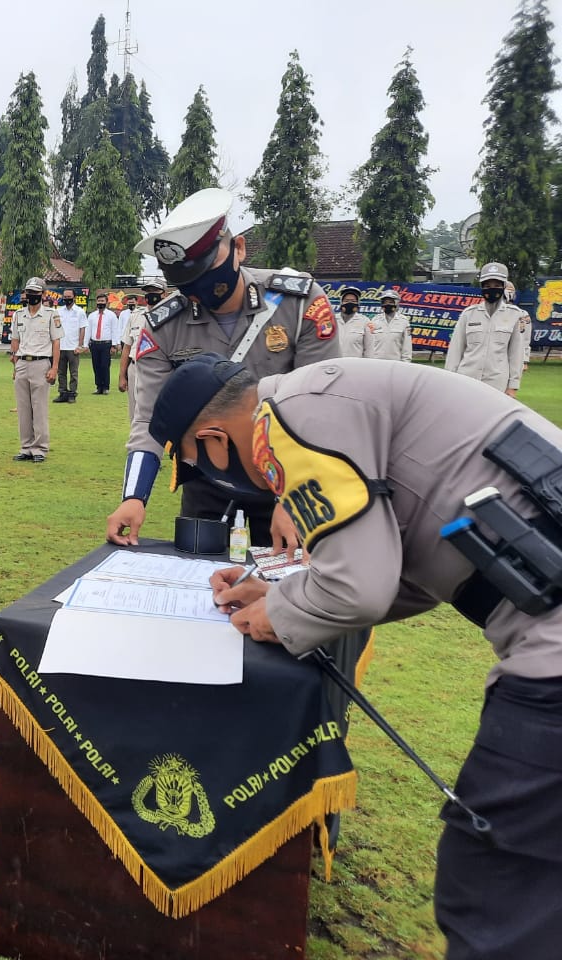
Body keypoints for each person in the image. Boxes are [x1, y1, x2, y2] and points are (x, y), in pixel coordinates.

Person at [152, 353, 562, 960]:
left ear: (213, 440)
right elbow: (405, 573)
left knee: (494, 885)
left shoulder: (291, 416)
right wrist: (287, 594)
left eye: (194, 462)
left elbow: (358, 587)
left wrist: (280, 617)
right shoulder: (325, 395)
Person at [106, 186, 341, 551]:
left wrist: (293, 498)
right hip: (207, 484)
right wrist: (133, 497)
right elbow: (149, 420)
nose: (198, 293)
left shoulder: (299, 305)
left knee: (284, 591)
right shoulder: (164, 325)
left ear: (239, 249)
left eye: (205, 275)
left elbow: (320, 410)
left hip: (287, 478)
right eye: (186, 285)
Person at [445, 262, 524, 398]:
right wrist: (449, 379)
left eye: (497, 286)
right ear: (481, 287)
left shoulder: (514, 315)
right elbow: (455, 350)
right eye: (487, 286)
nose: (492, 290)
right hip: (467, 379)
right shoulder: (469, 314)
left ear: (504, 287)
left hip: (497, 383)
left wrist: (513, 386)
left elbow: (516, 354)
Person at [8, 277, 61, 462]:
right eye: (29, 292)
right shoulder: (18, 315)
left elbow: (56, 342)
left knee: (39, 409)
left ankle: (40, 449)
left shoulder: (51, 315)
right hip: (22, 363)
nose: (31, 296)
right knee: (23, 409)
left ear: (43, 294)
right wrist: (15, 364)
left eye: (35, 293)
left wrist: (54, 367)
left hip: (41, 363)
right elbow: (15, 340)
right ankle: (26, 447)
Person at [118, 278, 169, 422]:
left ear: (164, 294)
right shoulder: (135, 316)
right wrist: (122, 376)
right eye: (148, 291)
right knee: (134, 411)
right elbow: (127, 348)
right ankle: (137, 443)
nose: (150, 294)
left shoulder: (172, 318)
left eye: (155, 291)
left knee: (158, 408)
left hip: (159, 369)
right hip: (135, 367)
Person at [54, 289, 87, 403]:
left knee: (74, 373)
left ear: (74, 297)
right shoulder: (58, 311)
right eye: (65, 296)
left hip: (73, 347)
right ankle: (62, 393)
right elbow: (55, 328)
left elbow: (82, 329)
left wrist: (80, 345)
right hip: (61, 346)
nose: (66, 298)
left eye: (69, 296)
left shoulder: (79, 312)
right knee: (61, 372)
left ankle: (72, 394)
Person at [365, 288, 413, 363]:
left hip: (396, 363)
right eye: (385, 302)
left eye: (390, 302)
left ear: (396, 303)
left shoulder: (404, 321)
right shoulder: (375, 320)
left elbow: (407, 346)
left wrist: (405, 363)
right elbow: (370, 344)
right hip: (377, 363)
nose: (388, 304)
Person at [86, 292, 119, 394]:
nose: (100, 303)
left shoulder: (111, 315)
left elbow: (115, 330)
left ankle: (105, 387)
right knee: (96, 366)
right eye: (99, 301)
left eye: (102, 301)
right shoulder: (91, 316)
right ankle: (98, 386)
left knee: (105, 366)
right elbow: (88, 330)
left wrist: (114, 345)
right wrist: (85, 345)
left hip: (106, 344)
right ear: (96, 302)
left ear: (106, 302)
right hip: (94, 344)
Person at [336, 285, 367, 358]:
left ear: (358, 303)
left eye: (353, 301)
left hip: (355, 365)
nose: (349, 303)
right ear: (341, 302)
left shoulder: (365, 321)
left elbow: (369, 349)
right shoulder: (332, 320)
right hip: (335, 363)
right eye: (346, 301)